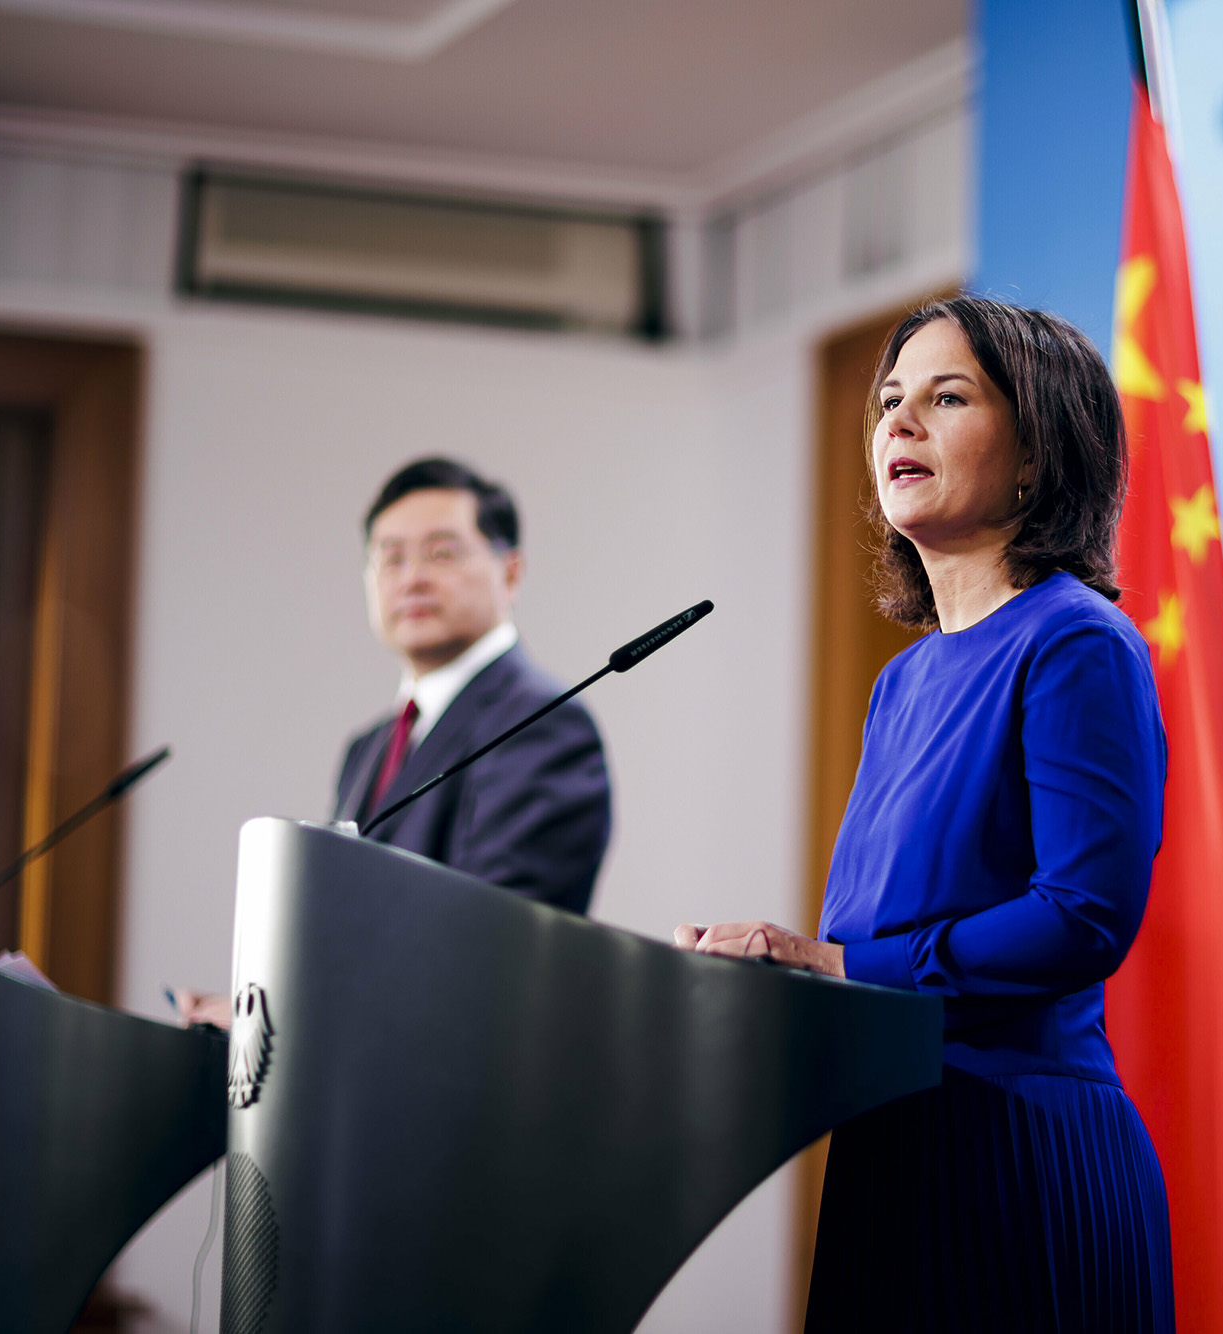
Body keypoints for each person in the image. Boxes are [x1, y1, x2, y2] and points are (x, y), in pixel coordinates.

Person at [674, 296, 1174, 1331]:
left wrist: (833, 967)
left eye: (945, 398)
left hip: (1014, 1153)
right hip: (888, 1140)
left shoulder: (1074, 642)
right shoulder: (901, 683)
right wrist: (760, 980)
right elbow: (867, 937)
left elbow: (1082, 914)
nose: (898, 423)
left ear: (1038, 446)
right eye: (889, 401)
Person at [333, 456, 611, 911]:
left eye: (441, 553)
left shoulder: (544, 725)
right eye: (391, 558)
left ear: (511, 572)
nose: (412, 579)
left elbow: (488, 935)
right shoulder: (368, 746)